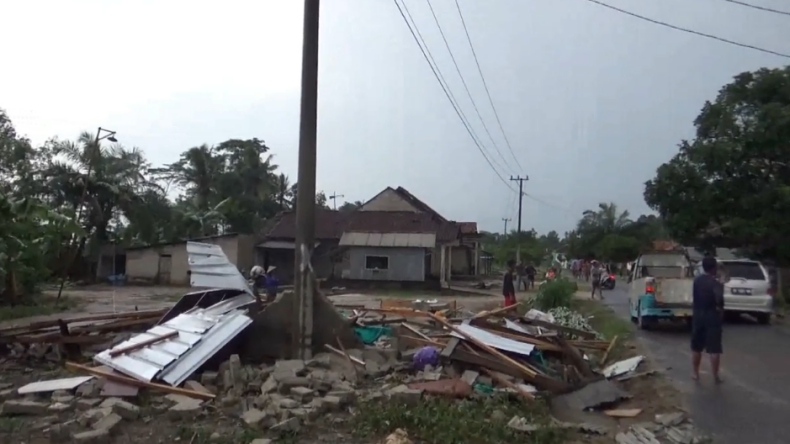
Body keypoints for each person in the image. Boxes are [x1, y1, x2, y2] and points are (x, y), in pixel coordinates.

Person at [691, 256, 724, 383]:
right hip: (712, 316)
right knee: (714, 348)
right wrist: (721, 311)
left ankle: (695, 373)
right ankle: (715, 376)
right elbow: (719, 300)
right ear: (714, 268)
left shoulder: (697, 281)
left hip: (698, 315)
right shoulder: (716, 283)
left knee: (696, 346)